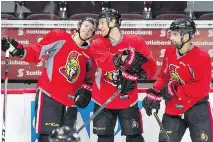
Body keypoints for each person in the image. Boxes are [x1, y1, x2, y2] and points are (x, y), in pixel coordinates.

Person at [1, 17, 97, 142]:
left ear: (92, 35)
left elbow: (89, 79)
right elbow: (37, 51)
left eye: (91, 30)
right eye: (86, 26)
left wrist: (86, 91)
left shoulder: (90, 54)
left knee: (66, 139)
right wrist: (18, 49)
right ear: (78, 26)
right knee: (47, 137)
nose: (87, 30)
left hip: (70, 102)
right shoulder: (60, 37)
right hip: (50, 96)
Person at [90, 8, 157, 142]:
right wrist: (124, 58)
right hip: (103, 101)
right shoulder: (98, 43)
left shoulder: (136, 41)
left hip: (128, 100)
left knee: (134, 137)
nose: (99, 27)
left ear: (113, 22)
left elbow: (151, 70)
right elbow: (106, 63)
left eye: (102, 22)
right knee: (104, 138)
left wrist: (137, 71)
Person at [142, 18, 212, 142]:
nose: (171, 37)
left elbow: (202, 87)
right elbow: (164, 76)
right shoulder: (169, 51)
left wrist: (176, 90)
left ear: (186, 36)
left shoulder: (201, 57)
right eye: (171, 33)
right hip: (174, 107)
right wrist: (155, 91)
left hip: (197, 108)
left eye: (175, 34)